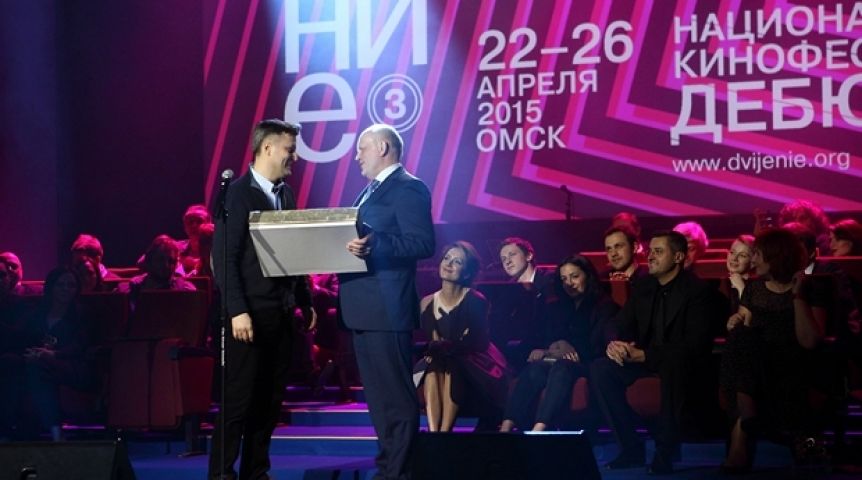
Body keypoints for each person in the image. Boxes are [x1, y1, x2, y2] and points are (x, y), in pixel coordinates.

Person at [208, 118, 317, 480]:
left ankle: (256, 473)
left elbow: (294, 250)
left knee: (269, 401)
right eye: (290, 150)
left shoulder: (285, 194)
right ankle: (221, 474)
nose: (295, 157)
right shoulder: (238, 194)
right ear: (267, 148)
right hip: (248, 315)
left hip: (279, 314)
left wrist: (305, 299)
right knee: (238, 401)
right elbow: (225, 258)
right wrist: (237, 310)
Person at [338, 124, 434, 480]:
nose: (356, 156)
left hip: (387, 307)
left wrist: (377, 243)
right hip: (362, 307)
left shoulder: (408, 188)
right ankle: (388, 468)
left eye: (361, 148)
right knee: (379, 401)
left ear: (382, 147)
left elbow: (422, 243)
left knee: (395, 397)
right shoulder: (369, 191)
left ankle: (400, 472)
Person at [590, 230, 713, 474]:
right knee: (600, 369)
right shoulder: (645, 287)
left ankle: (665, 451)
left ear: (678, 257)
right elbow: (617, 323)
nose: (650, 257)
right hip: (645, 358)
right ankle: (630, 448)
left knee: (673, 365)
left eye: (658, 252)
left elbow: (694, 345)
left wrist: (645, 355)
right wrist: (614, 343)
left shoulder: (698, 291)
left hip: (681, 362)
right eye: (650, 251)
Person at [719, 228, 827, 473]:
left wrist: (798, 296)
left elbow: (809, 341)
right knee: (741, 338)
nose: (753, 260)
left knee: (746, 353)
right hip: (759, 362)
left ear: (776, 257)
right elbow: (744, 322)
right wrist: (736, 319)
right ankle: (747, 416)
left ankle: (744, 429)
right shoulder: (754, 289)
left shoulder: (811, 287)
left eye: (757, 254)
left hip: (795, 360)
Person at [500, 254, 618, 432]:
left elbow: (599, 345)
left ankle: (539, 429)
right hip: (556, 359)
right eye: (564, 279)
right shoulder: (560, 306)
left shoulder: (603, 305)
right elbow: (548, 337)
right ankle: (506, 427)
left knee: (562, 366)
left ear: (588, 276)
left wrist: (571, 350)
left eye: (574, 276)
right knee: (535, 369)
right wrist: (547, 350)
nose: (569, 283)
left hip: (587, 362)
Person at [419, 241, 508, 432]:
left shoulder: (475, 299)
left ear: (467, 273)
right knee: (434, 366)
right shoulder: (427, 302)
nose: (449, 264)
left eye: (457, 262)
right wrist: (438, 347)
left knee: (452, 363)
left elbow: (478, 341)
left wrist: (449, 347)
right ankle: (435, 432)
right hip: (440, 357)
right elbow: (433, 339)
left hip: (475, 358)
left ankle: (445, 431)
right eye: (446, 258)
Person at [0, 267, 92, 441]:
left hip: (69, 364)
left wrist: (53, 354)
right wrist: (33, 352)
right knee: (9, 362)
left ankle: (54, 430)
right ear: (51, 287)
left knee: (37, 367)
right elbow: (21, 338)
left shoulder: (82, 314)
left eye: (71, 285)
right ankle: (7, 430)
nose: (66, 289)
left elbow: (81, 346)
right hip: (38, 360)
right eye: (61, 285)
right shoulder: (36, 313)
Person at [117, 235, 196, 304]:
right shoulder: (130, 290)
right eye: (160, 260)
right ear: (149, 261)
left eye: (171, 261)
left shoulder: (185, 290)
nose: (166, 265)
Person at [726, 234, 755, 301]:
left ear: (753, 262)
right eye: (732, 252)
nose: (734, 258)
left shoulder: (758, 287)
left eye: (742, 255)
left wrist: (741, 288)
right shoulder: (718, 284)